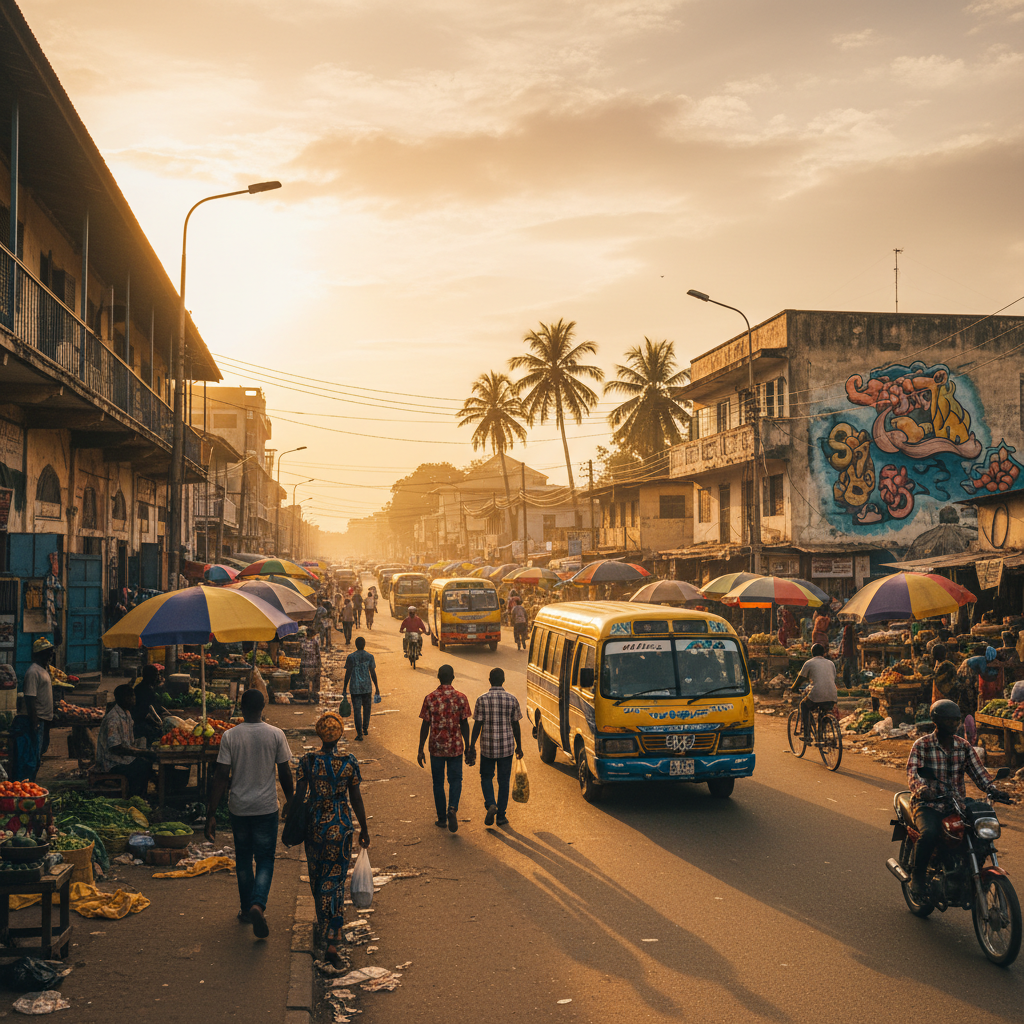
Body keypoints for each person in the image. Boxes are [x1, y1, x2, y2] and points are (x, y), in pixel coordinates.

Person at [206, 689, 294, 939]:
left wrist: (211, 813)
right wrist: (292, 802)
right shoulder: (276, 734)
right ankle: (258, 904)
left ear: (241, 708)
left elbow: (221, 776)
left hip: (239, 808)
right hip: (266, 807)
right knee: (265, 859)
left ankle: (247, 910)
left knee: (243, 858)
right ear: (263, 707)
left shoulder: (230, 736)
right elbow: (285, 772)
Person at [906, 699, 1010, 901]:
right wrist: (923, 789)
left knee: (981, 834)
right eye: (948, 720)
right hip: (928, 804)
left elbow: (980, 774)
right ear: (936, 721)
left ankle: (969, 873)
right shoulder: (923, 745)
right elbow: (913, 773)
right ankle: (917, 877)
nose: (953, 725)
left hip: (956, 805)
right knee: (929, 834)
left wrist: (994, 789)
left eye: (956, 720)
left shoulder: (964, 746)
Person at [294, 712, 369, 968]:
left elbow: (299, 796)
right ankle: (333, 937)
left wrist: (292, 818)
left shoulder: (307, 762)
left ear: (318, 733)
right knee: (336, 881)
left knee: (317, 877)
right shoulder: (349, 762)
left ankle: (324, 924)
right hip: (341, 827)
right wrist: (364, 828)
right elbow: (356, 798)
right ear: (340, 734)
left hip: (315, 826)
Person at [417, 664, 471, 833]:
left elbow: (425, 725)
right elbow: (464, 724)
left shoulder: (430, 698)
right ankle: (452, 808)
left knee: (438, 783)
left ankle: (441, 819)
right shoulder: (461, 698)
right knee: (456, 780)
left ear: (438, 677)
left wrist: (420, 749)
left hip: (436, 747)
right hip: (455, 747)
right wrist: (468, 745)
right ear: (453, 677)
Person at [467, 668, 523, 826]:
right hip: (506, 747)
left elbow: (477, 725)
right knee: (504, 781)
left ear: (489, 680)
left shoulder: (482, 700)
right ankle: (501, 816)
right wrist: (519, 746)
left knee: (486, 777)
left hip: (488, 748)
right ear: (503, 680)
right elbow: (516, 725)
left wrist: (471, 745)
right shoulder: (512, 699)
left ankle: (491, 803)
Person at [95, 684, 156, 796]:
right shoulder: (113, 719)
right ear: (122, 698)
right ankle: (133, 796)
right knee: (142, 767)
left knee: (146, 763)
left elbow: (128, 742)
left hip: (123, 758)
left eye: (133, 696)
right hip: (111, 763)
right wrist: (141, 752)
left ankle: (140, 795)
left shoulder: (126, 713)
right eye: (131, 696)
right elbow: (115, 748)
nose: (134, 699)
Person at [12, 638, 56, 781]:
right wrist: (34, 722)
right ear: (39, 654)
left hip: (44, 720)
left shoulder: (43, 670)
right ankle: (27, 784)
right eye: (47, 653)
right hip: (35, 720)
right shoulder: (33, 672)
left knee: (38, 755)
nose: (50, 656)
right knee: (31, 758)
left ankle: (30, 783)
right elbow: (30, 698)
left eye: (51, 653)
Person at [789, 643, 838, 740]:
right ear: (823, 653)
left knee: (804, 705)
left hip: (817, 693)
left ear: (812, 653)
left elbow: (800, 679)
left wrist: (793, 688)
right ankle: (821, 734)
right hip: (832, 695)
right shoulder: (831, 663)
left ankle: (807, 734)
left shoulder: (809, 663)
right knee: (823, 711)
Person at [343, 637, 379, 741]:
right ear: (364, 644)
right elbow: (373, 673)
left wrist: (344, 687)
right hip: (367, 687)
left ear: (355, 645)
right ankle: (365, 728)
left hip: (355, 687)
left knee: (357, 711)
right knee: (367, 709)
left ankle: (359, 734)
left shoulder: (351, 657)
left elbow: (348, 673)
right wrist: (376, 687)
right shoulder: (369, 657)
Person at [131, 664, 167, 745]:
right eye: (156, 675)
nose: (158, 677)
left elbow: (154, 706)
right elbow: (146, 712)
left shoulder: (148, 687)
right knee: (158, 733)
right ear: (150, 676)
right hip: (139, 723)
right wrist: (158, 723)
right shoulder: (143, 690)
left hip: (145, 719)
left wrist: (165, 711)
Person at [298, 626, 322, 695]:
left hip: (303, 665)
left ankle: (307, 692)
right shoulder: (315, 642)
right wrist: (319, 665)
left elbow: (299, 652)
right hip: (313, 665)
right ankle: (314, 692)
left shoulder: (302, 641)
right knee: (316, 678)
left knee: (305, 680)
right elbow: (318, 654)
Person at [841, 622, 857, 688]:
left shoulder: (848, 628)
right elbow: (847, 640)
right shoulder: (848, 628)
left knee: (848, 667)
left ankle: (849, 683)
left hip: (848, 651)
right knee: (848, 667)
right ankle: (848, 683)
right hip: (849, 651)